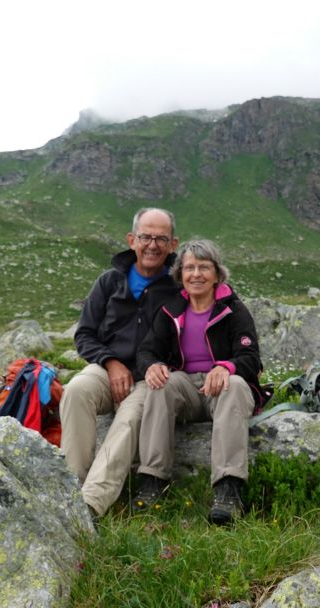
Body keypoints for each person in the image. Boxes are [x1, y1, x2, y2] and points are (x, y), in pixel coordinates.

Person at [132, 239, 263, 525]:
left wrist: (226, 366)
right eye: (189, 268)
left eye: (204, 267)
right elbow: (146, 350)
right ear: (180, 274)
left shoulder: (233, 309)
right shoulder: (171, 311)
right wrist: (152, 366)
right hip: (187, 390)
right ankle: (153, 481)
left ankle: (228, 490)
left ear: (217, 273)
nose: (196, 274)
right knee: (160, 385)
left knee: (235, 384)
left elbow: (251, 357)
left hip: (223, 391)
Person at [60, 207, 180, 517]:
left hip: (151, 377)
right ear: (131, 240)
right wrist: (110, 362)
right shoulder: (109, 281)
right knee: (76, 390)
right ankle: (68, 488)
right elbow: (84, 334)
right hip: (105, 368)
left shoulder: (180, 286)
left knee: (128, 420)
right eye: (145, 237)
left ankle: (90, 506)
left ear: (173, 245)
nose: (152, 245)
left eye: (161, 239)